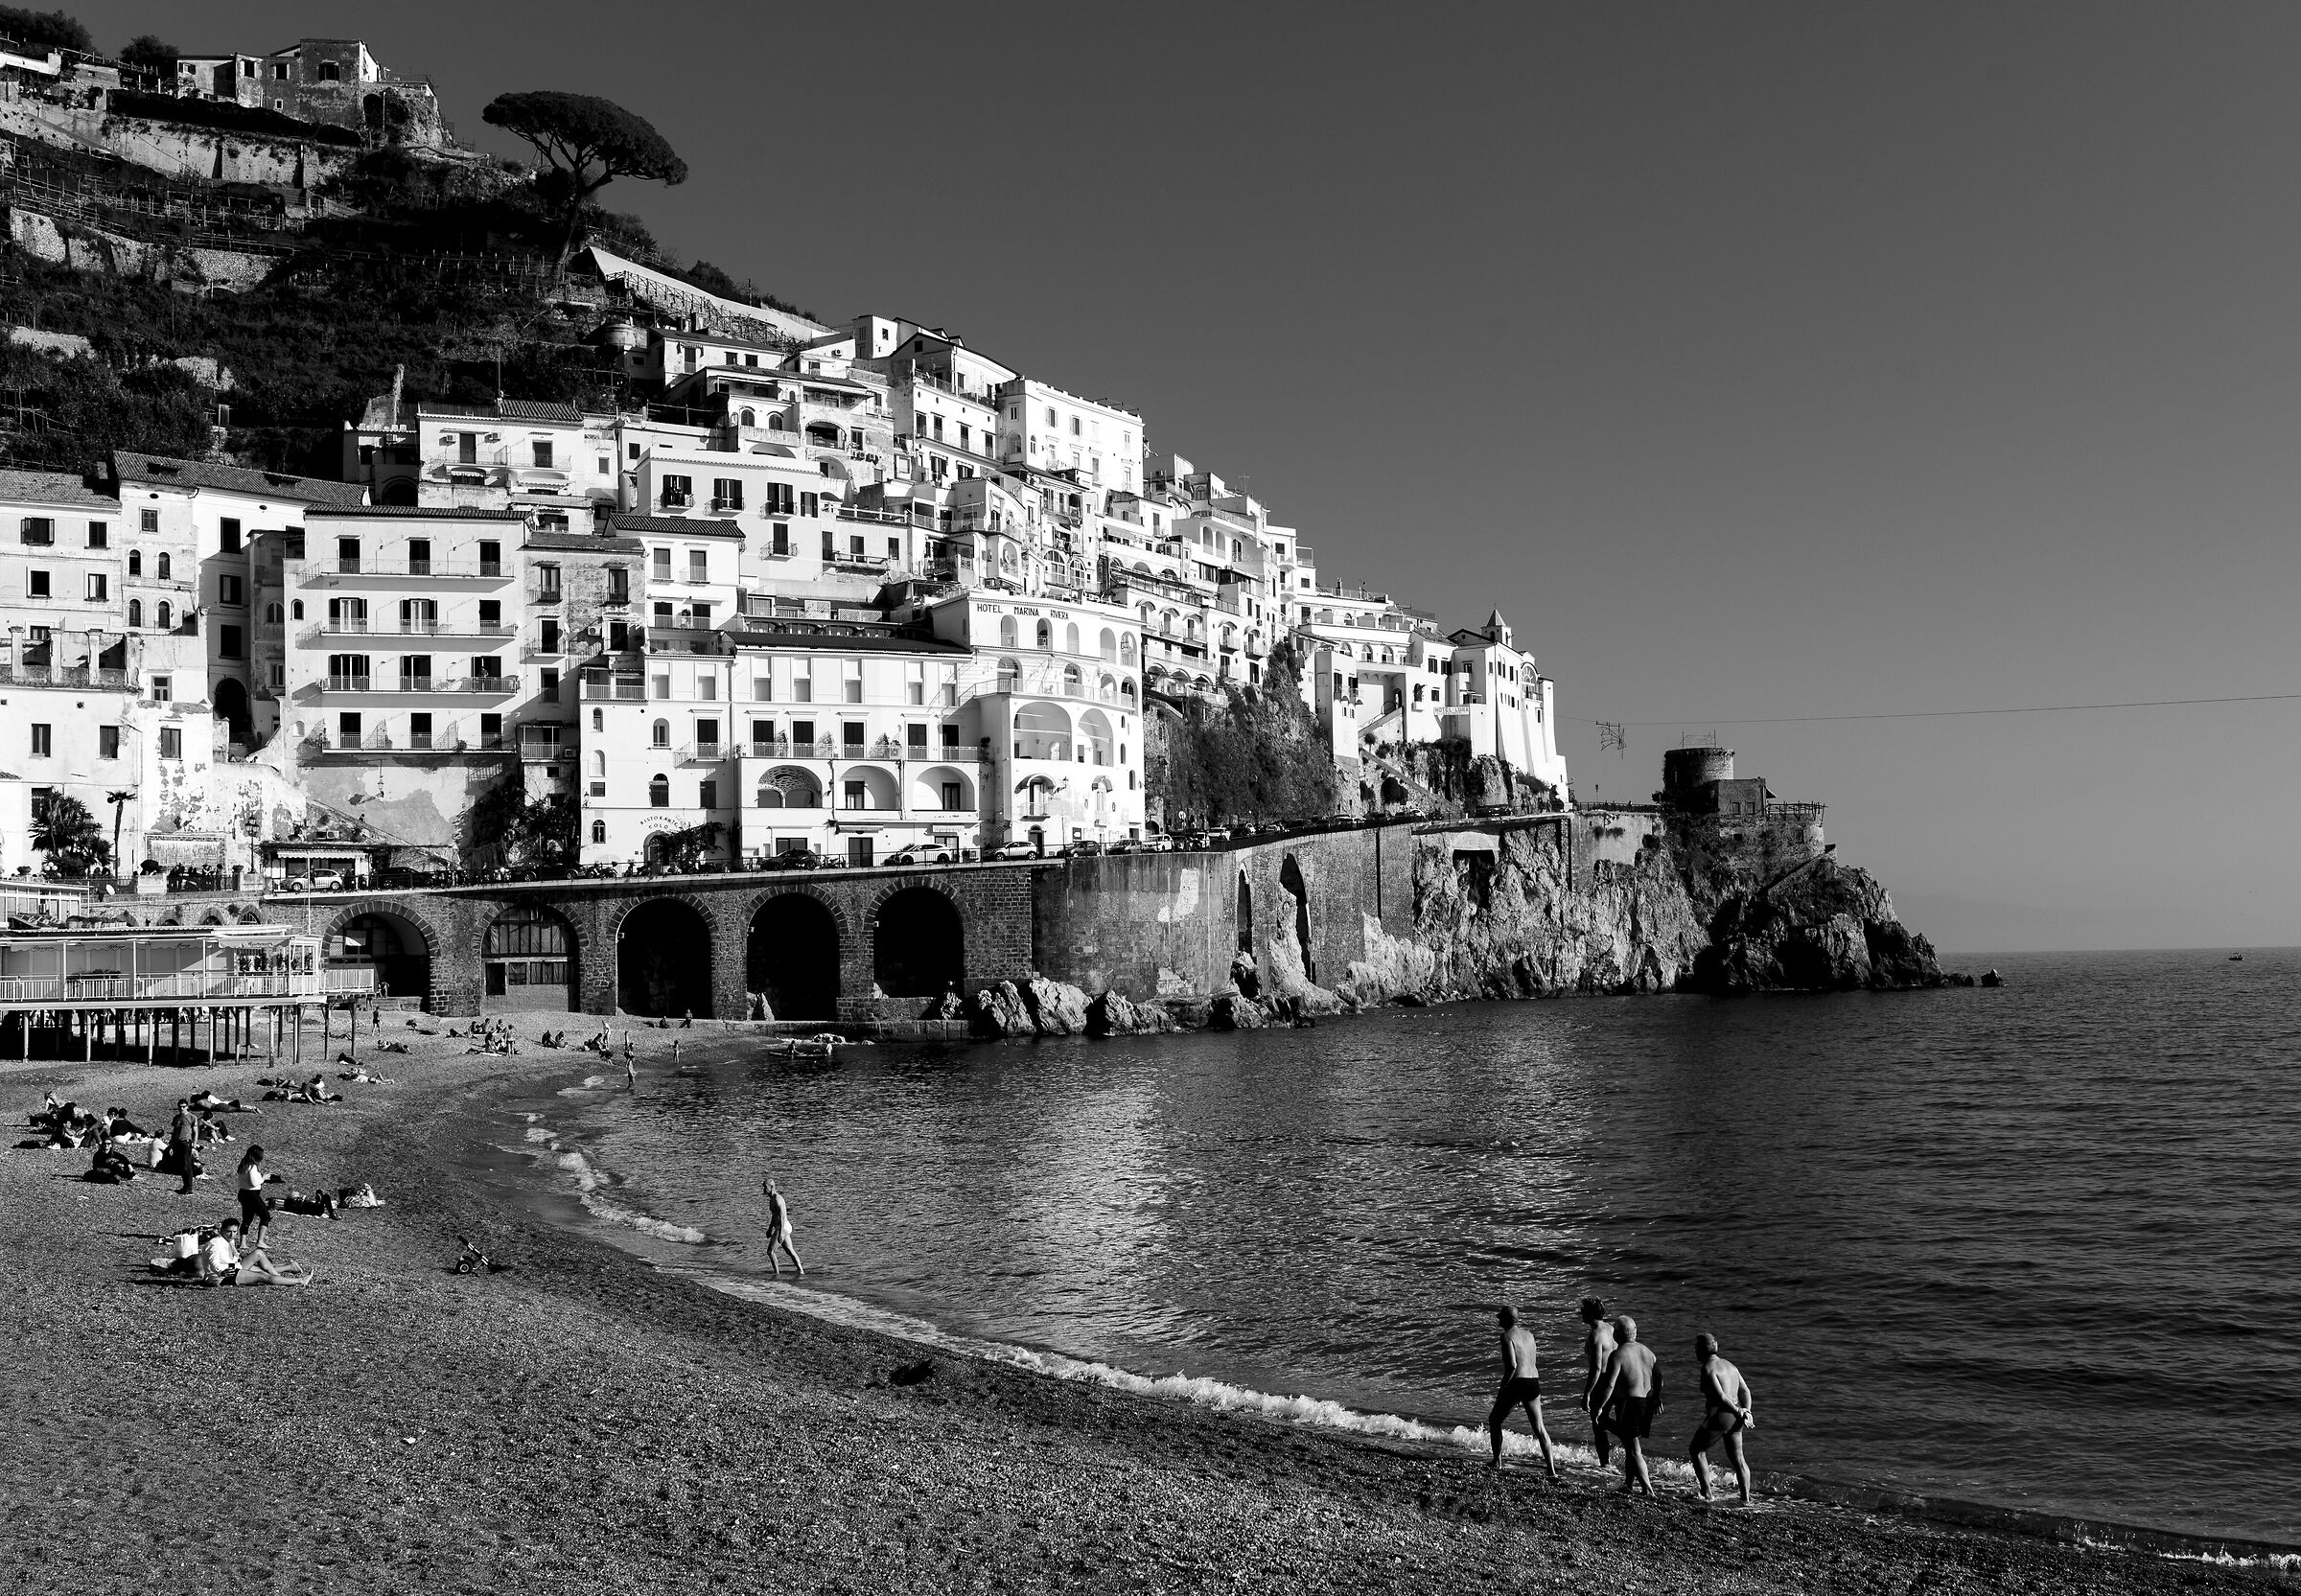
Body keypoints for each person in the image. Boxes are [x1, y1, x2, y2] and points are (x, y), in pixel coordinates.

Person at [1589, 1314, 1663, 1497]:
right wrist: (1657, 1398)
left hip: (1629, 1404)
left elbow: (1610, 1384)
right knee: (1631, 1443)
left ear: (1617, 1335)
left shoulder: (1618, 1355)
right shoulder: (1648, 1352)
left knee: (1632, 1448)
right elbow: (1659, 1377)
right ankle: (1629, 1484)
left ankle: (1648, 1490)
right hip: (1646, 1403)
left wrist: (1599, 1407)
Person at [1484, 1306, 1559, 1479]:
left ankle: (1497, 1462)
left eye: (1500, 1317)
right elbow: (1531, 1360)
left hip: (1517, 1382)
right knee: (1540, 1428)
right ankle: (1552, 1471)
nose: (1498, 1320)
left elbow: (1512, 1365)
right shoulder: (1530, 1335)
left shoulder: (1506, 1336)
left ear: (1505, 1320)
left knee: (1494, 1420)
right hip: (1533, 1382)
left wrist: (1503, 1388)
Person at [1687, 1333, 1757, 1505]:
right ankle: (1746, 1499)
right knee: (1739, 1459)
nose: (1695, 1351)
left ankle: (1707, 1494)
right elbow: (1745, 1391)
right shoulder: (1731, 1366)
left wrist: (1738, 1410)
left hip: (1722, 1415)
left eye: (1696, 1348)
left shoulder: (1707, 1368)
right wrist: (1745, 1410)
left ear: (1702, 1350)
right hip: (1736, 1418)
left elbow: (1720, 1397)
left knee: (1696, 1450)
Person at [1580, 1296, 1618, 1467]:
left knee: (1598, 1424)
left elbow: (1596, 1368)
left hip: (1602, 1382)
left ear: (1590, 1313)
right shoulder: (1611, 1329)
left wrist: (1587, 1393)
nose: (1580, 1312)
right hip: (1616, 1380)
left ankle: (1605, 1464)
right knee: (1603, 1420)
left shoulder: (1596, 1335)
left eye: (1583, 1309)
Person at [236, 1145, 281, 1248]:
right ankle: (260, 1241)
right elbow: (253, 1183)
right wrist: (264, 1178)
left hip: (243, 1193)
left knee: (247, 1217)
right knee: (265, 1216)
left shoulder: (243, 1165)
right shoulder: (252, 1167)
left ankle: (243, 1243)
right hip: (252, 1194)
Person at [761, 1179, 805, 1278]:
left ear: (771, 1187)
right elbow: (774, 1216)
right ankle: (801, 1271)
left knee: (770, 1252)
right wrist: (769, 1229)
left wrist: (780, 1233)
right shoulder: (771, 1199)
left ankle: (776, 1274)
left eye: (765, 1187)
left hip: (783, 1227)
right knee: (790, 1251)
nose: (763, 1189)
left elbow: (782, 1217)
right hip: (781, 1227)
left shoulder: (778, 1199)